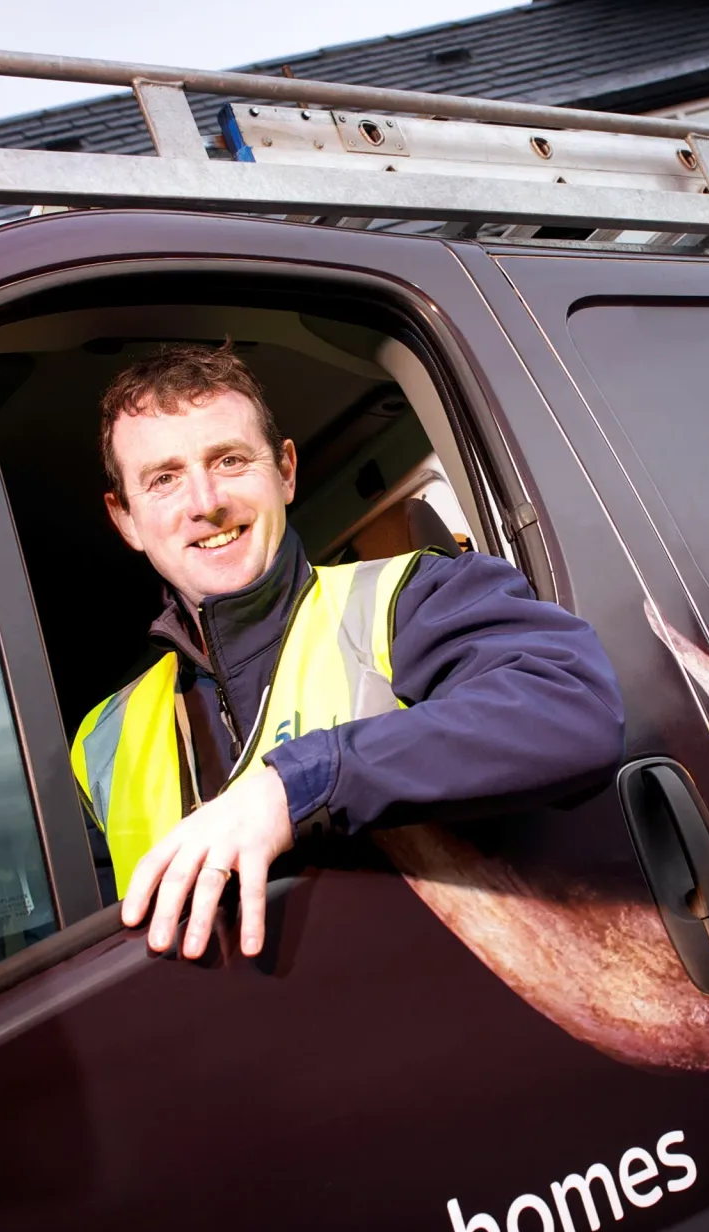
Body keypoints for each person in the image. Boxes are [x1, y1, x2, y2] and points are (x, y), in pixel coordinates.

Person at [70, 343, 625, 962]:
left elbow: (572, 707)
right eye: (165, 479)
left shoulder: (412, 597)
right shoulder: (101, 741)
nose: (204, 502)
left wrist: (299, 785)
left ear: (285, 471)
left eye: (229, 460)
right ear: (125, 519)